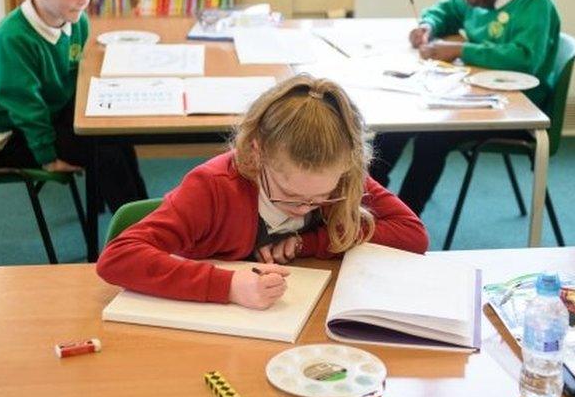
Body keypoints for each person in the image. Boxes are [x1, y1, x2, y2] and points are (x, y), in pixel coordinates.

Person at [97, 75, 429, 310]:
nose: (303, 209)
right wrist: (228, 286)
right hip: (214, 325)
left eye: (320, 198)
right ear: (257, 153)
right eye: (290, 194)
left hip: (293, 317)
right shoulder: (213, 187)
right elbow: (118, 257)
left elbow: (413, 234)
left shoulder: (340, 175)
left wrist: (309, 242)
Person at [369, 0, 561, 215]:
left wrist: (460, 50)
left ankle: (403, 221)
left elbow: (524, 60)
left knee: (433, 137)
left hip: (515, 110)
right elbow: (445, 10)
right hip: (474, 96)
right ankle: (363, 201)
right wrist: (428, 25)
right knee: (395, 127)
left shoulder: (534, 3)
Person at [0, 0, 146, 212]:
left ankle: (143, 219)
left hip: (48, 113)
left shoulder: (76, 21)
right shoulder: (12, 39)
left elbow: (72, 77)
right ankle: (138, 238)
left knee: (116, 136)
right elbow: (25, 106)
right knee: (105, 153)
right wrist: (47, 157)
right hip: (10, 136)